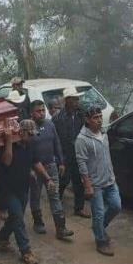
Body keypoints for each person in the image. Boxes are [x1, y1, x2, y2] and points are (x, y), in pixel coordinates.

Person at [0, 120, 52, 264]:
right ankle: (26, 251)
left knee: (15, 217)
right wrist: (8, 141)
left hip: (22, 187)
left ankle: (2, 237)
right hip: (7, 189)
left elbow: (36, 162)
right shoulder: (8, 145)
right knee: (19, 219)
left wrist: (47, 178)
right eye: (30, 134)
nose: (33, 137)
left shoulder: (30, 145)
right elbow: (7, 161)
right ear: (22, 132)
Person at [75, 106, 121, 256]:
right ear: (87, 120)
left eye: (100, 116)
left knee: (116, 206)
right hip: (95, 184)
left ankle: (99, 227)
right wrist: (87, 185)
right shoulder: (81, 140)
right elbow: (81, 164)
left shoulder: (104, 133)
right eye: (95, 117)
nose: (99, 120)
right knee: (99, 213)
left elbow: (107, 156)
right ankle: (101, 241)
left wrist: (112, 174)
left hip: (110, 180)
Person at [29, 100, 73, 241]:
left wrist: (61, 162)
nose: (41, 113)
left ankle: (61, 228)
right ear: (32, 113)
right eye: (38, 111)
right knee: (35, 196)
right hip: (34, 170)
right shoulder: (28, 128)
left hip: (51, 165)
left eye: (43, 110)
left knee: (54, 196)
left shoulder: (50, 124)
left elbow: (57, 143)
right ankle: (38, 221)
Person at [53, 87, 89, 218]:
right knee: (63, 181)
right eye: (74, 99)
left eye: (77, 99)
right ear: (67, 100)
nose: (77, 102)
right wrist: (60, 158)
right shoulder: (59, 118)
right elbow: (59, 139)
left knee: (78, 182)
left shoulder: (79, 114)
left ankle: (79, 208)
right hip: (65, 155)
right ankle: (56, 205)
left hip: (77, 154)